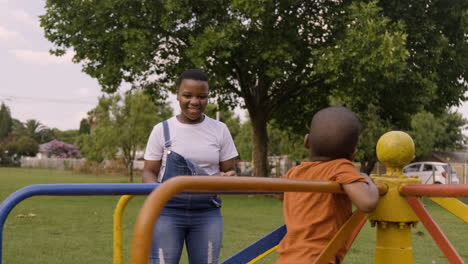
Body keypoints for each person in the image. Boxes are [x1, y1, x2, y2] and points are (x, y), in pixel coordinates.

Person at [142, 69, 238, 264]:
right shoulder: (162, 130)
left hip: (207, 212)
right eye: (188, 95)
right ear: (177, 95)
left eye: (202, 96)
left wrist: (227, 178)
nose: (195, 101)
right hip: (168, 210)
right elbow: (148, 171)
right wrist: (157, 194)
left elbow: (230, 171)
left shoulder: (219, 130)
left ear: (208, 98)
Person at [275, 106, 379, 264]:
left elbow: (280, 194)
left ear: (306, 141)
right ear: (353, 153)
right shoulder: (341, 167)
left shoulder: (294, 172)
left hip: (287, 258)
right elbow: (367, 202)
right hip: (319, 259)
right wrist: (368, 180)